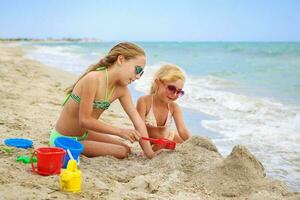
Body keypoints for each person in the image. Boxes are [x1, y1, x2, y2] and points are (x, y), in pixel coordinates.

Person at [50, 42, 160, 159]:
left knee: (127, 148)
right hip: (63, 140)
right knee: (121, 151)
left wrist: (149, 153)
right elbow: (85, 120)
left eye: (141, 74)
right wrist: (120, 131)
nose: (138, 76)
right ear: (121, 59)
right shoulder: (93, 79)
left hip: (84, 135)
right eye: (137, 70)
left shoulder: (122, 90)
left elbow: (138, 121)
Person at [137, 64, 192, 150]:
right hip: (152, 144)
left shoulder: (174, 107)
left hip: (169, 138)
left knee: (190, 146)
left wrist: (195, 144)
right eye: (171, 88)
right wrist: (148, 151)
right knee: (162, 146)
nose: (174, 94)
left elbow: (182, 130)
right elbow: (139, 129)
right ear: (158, 83)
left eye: (179, 92)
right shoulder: (144, 102)